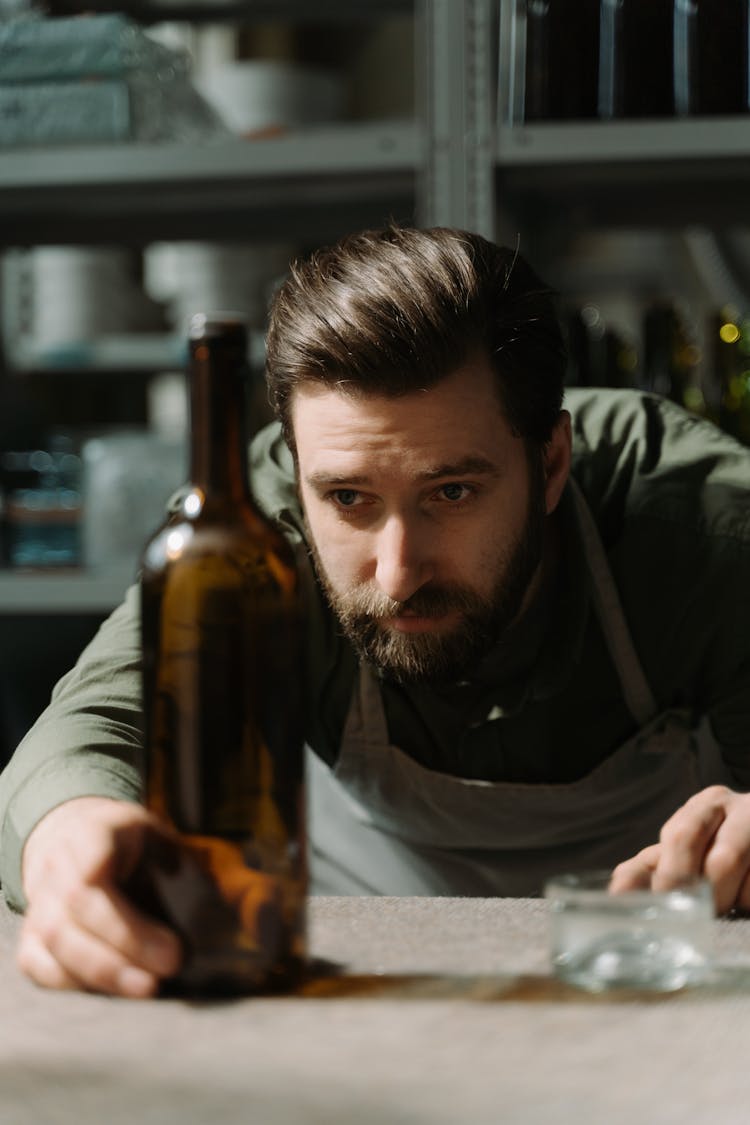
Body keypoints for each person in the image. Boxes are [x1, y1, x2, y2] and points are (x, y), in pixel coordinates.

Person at [1, 225, 749, 998]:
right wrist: (70, 836)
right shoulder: (254, 535)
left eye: (451, 493)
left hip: (642, 991)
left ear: (551, 462)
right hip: (354, 992)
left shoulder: (703, 524)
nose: (398, 575)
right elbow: (92, 726)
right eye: (349, 499)